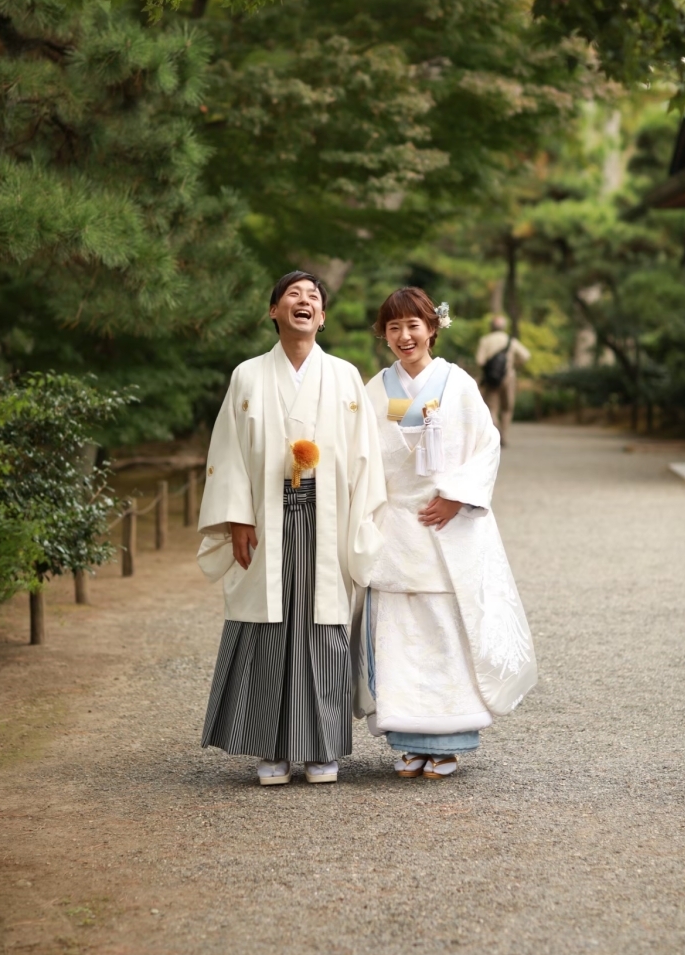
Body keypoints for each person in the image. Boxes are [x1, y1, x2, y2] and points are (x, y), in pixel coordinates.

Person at [197, 272, 386, 787]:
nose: (304, 303)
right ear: (274, 312)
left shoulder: (346, 377)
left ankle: (322, 749)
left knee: (322, 627)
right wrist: (237, 516)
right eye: (292, 296)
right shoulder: (248, 376)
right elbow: (229, 451)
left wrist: (364, 519)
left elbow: (365, 455)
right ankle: (272, 748)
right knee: (268, 627)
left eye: (314, 298)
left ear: (322, 317)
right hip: (265, 515)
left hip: (329, 517)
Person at [352, 288, 536, 779]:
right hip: (396, 525)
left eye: (413, 325)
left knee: (445, 631)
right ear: (384, 335)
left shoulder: (458, 384)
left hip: (447, 521)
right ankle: (408, 740)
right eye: (393, 328)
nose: (404, 336)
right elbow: (362, 457)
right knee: (398, 634)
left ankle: (449, 741)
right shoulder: (377, 390)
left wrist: (457, 494)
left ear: (432, 328)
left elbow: (486, 444)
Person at [475, 315, 530, 445]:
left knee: (491, 407)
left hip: (491, 378)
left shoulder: (485, 340)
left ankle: (496, 432)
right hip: (508, 377)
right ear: (503, 327)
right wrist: (513, 363)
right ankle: (503, 434)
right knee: (507, 407)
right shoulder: (510, 340)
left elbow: (479, 360)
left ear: (491, 327)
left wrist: (490, 367)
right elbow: (526, 356)